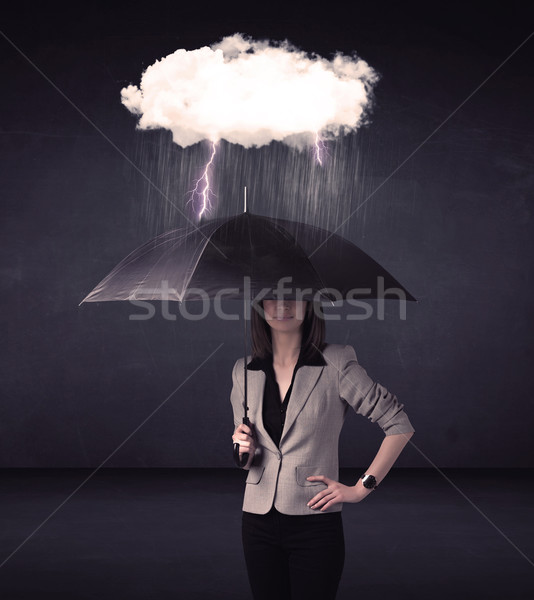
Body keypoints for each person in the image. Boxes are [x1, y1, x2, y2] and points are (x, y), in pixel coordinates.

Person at [230, 299, 415, 600]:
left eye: (293, 294)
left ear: (308, 304)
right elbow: (246, 456)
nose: (283, 304)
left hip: (314, 520)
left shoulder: (337, 361)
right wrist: (242, 446)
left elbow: (399, 423)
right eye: (273, 295)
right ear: (260, 305)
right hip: (256, 520)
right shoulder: (243, 370)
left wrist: (361, 488)